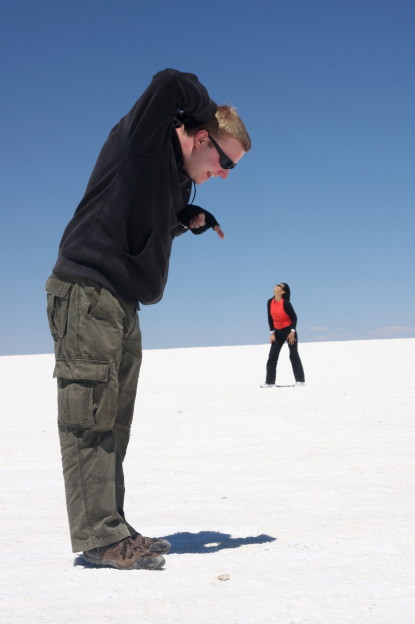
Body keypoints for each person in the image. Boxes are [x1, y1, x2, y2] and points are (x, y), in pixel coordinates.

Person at [45, 68, 251, 570]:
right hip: (87, 291)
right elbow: (170, 82)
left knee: (114, 421)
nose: (224, 174)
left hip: (122, 302)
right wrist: (204, 107)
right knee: (88, 417)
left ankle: (112, 526)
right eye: (224, 160)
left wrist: (183, 220)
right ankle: (98, 536)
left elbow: (136, 227)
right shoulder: (145, 141)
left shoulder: (175, 182)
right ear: (201, 135)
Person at [260, 282, 305, 388]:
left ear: (283, 291)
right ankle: (270, 382)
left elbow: (294, 318)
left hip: (289, 332)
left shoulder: (286, 303)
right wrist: (272, 333)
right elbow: (270, 319)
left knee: (293, 355)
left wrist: (292, 332)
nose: (276, 286)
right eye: (276, 285)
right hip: (277, 333)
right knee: (272, 356)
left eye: (279, 286)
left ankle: (300, 380)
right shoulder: (269, 302)